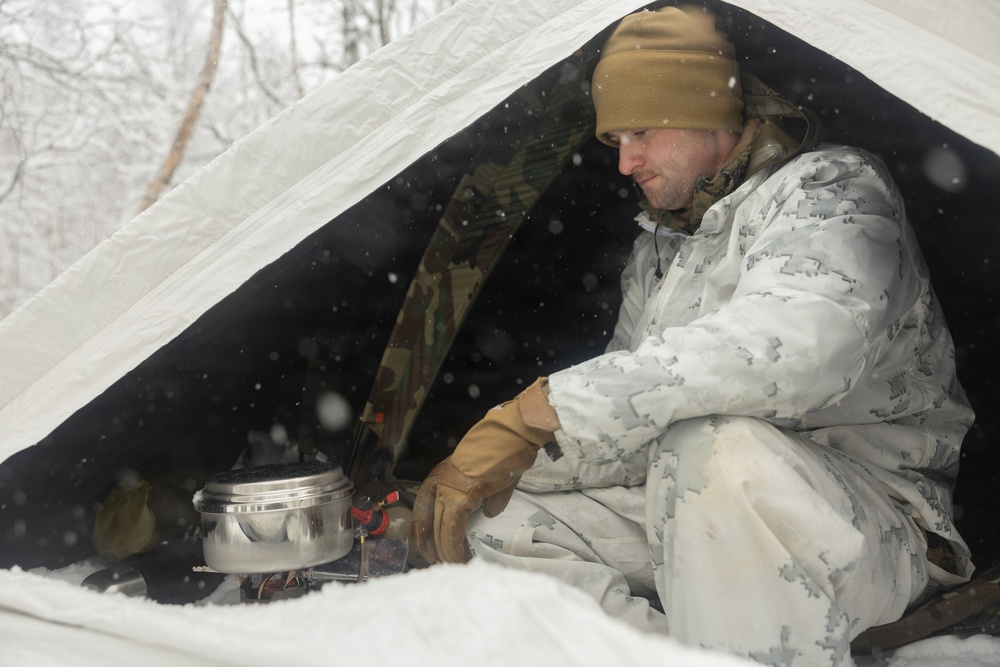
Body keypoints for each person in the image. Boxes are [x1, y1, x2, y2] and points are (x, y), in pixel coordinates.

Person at [411, 5, 975, 665]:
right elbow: (639, 423)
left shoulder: (833, 191)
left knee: (715, 447)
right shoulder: (660, 249)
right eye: (615, 140)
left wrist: (541, 412)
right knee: (501, 520)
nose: (626, 162)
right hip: (693, 499)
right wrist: (501, 465)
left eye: (642, 131)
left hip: (879, 523)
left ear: (709, 110)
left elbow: (797, 351)